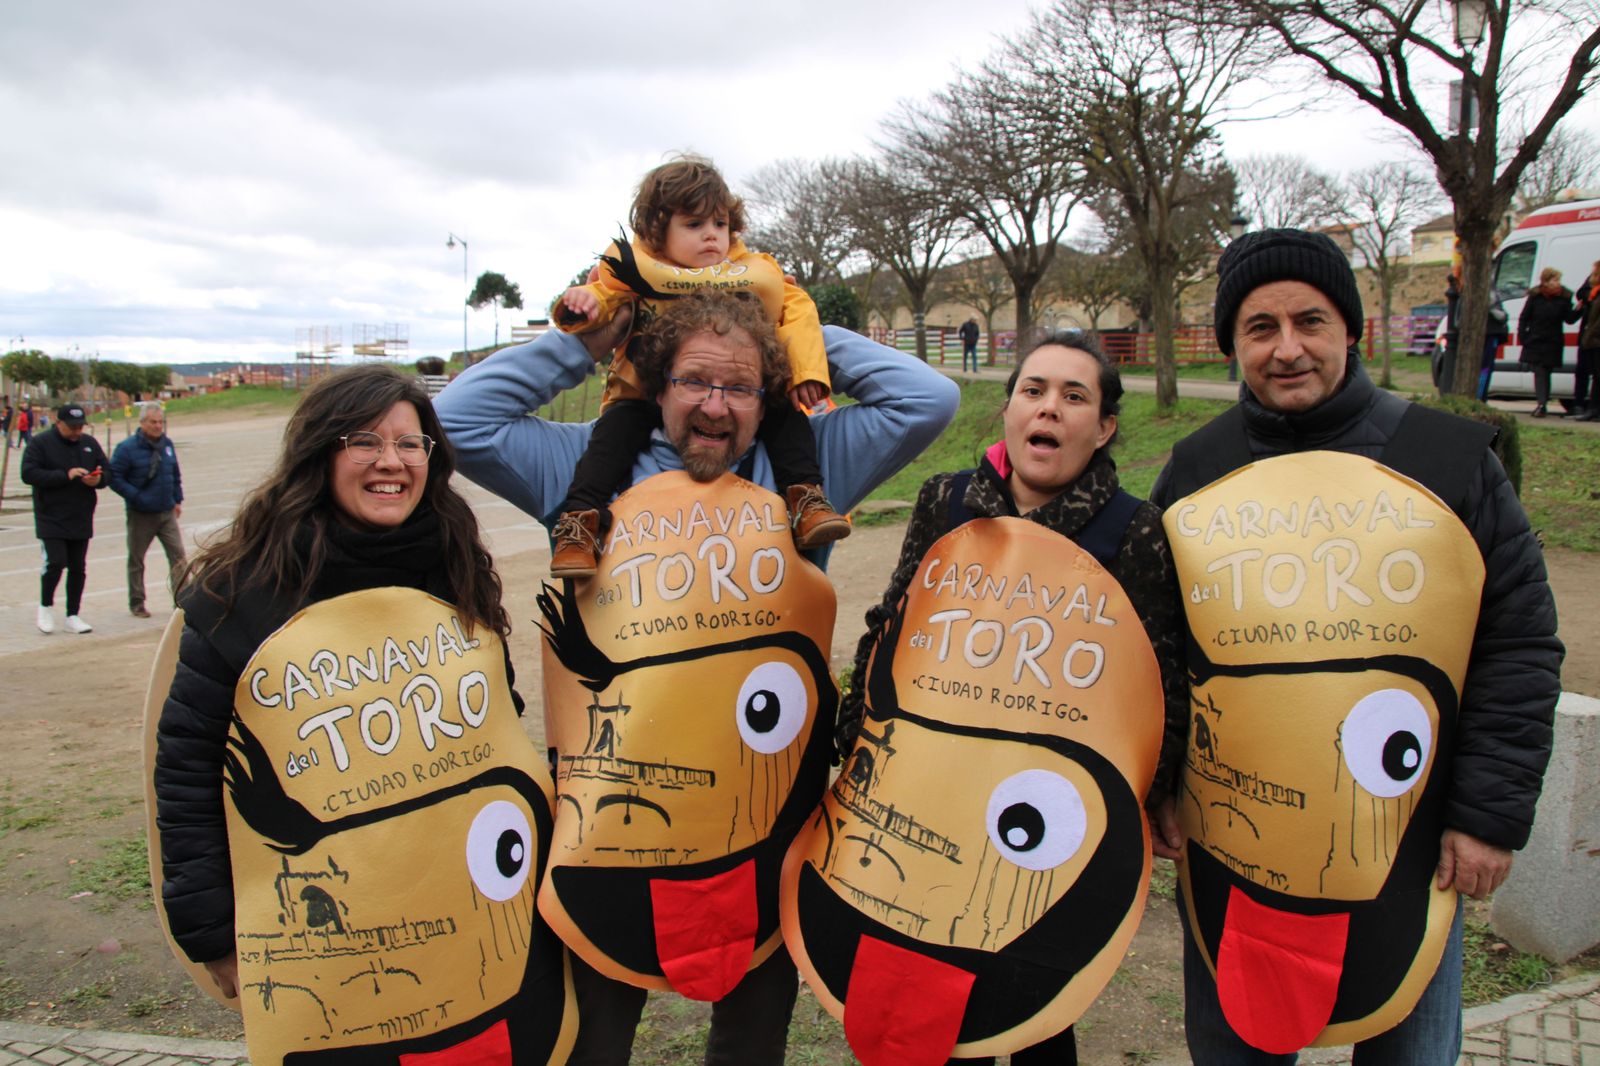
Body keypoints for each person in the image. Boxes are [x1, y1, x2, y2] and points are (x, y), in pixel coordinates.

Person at [436, 288, 960, 1066]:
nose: (716, 406)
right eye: (694, 382)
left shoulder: (805, 472)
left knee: (749, 1048)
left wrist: (797, 336)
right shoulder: (581, 466)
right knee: (594, 1045)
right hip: (612, 829)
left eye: (741, 387)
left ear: (767, 396)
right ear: (656, 385)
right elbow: (457, 420)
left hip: (761, 826)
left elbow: (930, 397)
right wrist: (587, 340)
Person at [1150, 228, 1561, 1064]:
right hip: (1235, 850)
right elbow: (1159, 651)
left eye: (1311, 321)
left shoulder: (1449, 463)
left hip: (1407, 849)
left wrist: (1487, 817)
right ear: (1233, 344)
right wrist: (1161, 782)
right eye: (1260, 328)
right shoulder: (1195, 473)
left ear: (1353, 332)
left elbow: (1517, 646)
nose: (1288, 348)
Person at [151, 365, 574, 1064]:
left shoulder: (452, 561)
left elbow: (494, 727)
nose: (390, 463)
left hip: (461, 917)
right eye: (364, 442)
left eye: (411, 445)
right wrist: (212, 933)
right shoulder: (246, 589)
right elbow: (188, 769)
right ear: (321, 453)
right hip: (333, 943)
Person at [829, 329, 1189, 1065]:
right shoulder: (946, 501)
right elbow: (892, 627)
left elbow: (1162, 692)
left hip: (1041, 833)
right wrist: (856, 736)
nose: (1049, 409)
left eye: (1073, 396)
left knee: (1032, 1017)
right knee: (924, 1001)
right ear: (1009, 411)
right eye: (1034, 390)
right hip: (928, 807)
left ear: (1105, 427)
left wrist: (1139, 802)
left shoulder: (1134, 531)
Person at [548, 154, 848, 578]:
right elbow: (606, 296)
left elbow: (798, 314)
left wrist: (806, 372)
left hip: (732, 391)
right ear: (657, 232)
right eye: (694, 225)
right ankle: (579, 524)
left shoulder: (752, 271)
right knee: (610, 440)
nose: (711, 236)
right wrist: (586, 304)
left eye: (720, 225)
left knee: (783, 415)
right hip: (643, 393)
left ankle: (805, 499)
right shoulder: (638, 270)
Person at [21, 403, 108, 634]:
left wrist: (97, 480)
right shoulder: (40, 443)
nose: (77, 431)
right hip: (50, 516)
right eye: (72, 427)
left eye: (80, 427)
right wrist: (64, 475)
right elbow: (28, 473)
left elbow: (107, 472)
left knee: (78, 567)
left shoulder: (89, 444)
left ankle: (73, 614)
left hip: (80, 515)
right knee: (56, 561)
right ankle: (45, 607)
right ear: (57, 422)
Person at [109, 404, 185, 618]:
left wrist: (177, 499)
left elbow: (175, 474)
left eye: (161, 422)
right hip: (141, 514)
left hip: (166, 512)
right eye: (153, 422)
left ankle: (182, 601)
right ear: (142, 423)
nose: (158, 426)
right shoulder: (126, 448)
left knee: (178, 557)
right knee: (137, 559)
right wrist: (135, 496)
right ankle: (137, 602)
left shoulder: (167, 445)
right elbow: (114, 477)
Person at [1517, 266, 1573, 418]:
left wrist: (1580, 309)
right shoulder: (1535, 296)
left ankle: (1543, 403)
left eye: (1558, 280)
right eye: (1555, 280)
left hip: (1552, 342)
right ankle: (1542, 404)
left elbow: (1569, 319)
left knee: (1546, 372)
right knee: (1540, 372)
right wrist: (1523, 337)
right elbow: (1524, 317)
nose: (1558, 283)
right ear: (1546, 281)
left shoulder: (1564, 297)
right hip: (1535, 341)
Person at [1571, 260, 1600, 421]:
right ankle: (1593, 409)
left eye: (1595, 273)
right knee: (1595, 375)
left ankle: (1594, 409)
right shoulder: (1594, 293)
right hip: (1592, 339)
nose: (1591, 277)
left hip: (1595, 339)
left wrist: (1589, 335)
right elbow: (1581, 293)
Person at [1478, 289, 1511, 402]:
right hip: (1489, 334)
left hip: (1489, 334)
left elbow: (1503, 316)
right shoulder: (1490, 292)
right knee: (1485, 368)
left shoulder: (1491, 292)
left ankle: (1480, 397)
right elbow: (1502, 316)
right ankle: (1480, 397)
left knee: (1485, 368)